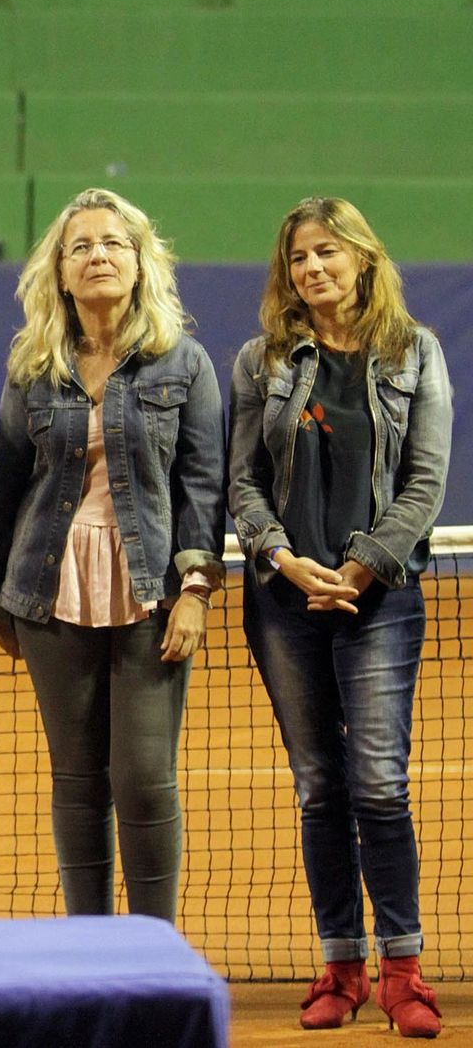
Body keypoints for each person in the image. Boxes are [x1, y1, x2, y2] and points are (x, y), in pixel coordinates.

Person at [228, 197, 450, 1037]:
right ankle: (340, 965)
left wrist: (358, 565)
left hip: (380, 602)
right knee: (321, 788)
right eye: (297, 258)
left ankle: (404, 970)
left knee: (380, 786)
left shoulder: (414, 352)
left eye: (327, 252)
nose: (312, 268)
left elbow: (425, 484)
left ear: (362, 257)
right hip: (285, 601)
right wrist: (285, 560)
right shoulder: (261, 360)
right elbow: (243, 483)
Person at [0, 188, 224, 925]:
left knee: (145, 778)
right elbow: (6, 479)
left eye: (113, 243)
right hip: (50, 592)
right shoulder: (33, 365)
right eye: (81, 246)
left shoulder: (183, 361)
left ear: (141, 261)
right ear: (59, 271)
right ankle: (90, 944)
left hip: (151, 592)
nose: (98, 256)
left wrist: (196, 588)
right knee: (78, 779)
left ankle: (153, 945)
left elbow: (203, 482)